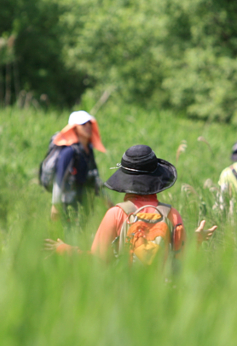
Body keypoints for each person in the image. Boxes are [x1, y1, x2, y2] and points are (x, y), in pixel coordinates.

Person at [47, 144, 216, 262]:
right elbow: (180, 258)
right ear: (156, 179)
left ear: (125, 180)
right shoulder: (172, 214)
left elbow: (97, 260)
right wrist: (196, 240)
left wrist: (63, 248)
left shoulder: (116, 214)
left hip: (127, 297)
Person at [50, 110, 107, 222]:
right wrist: (55, 206)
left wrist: (106, 200)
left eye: (89, 123)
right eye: (83, 124)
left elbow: (94, 177)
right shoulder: (68, 152)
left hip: (85, 206)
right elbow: (59, 179)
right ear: (74, 128)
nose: (88, 126)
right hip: (69, 207)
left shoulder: (88, 151)